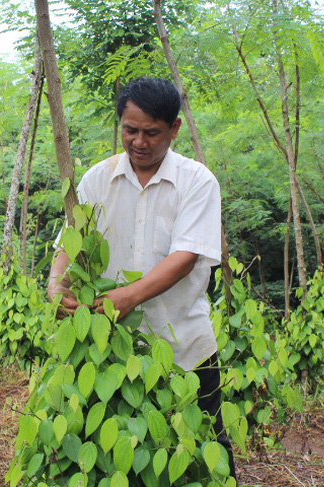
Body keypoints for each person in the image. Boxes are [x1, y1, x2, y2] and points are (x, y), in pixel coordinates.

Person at [47, 77, 236, 479]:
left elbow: (185, 257)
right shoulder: (98, 179)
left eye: (151, 132)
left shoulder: (197, 182)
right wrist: (55, 284)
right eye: (130, 130)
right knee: (111, 457)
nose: (139, 142)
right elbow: (70, 242)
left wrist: (128, 296)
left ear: (174, 129)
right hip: (108, 347)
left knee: (206, 452)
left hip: (184, 344)